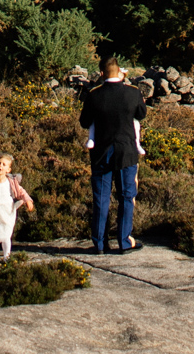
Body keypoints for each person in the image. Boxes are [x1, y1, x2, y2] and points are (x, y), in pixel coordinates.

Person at [79, 53, 146, 254]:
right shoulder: (133, 93)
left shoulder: (94, 95)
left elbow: (84, 122)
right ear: (120, 72)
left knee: (101, 197)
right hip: (126, 151)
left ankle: (99, 243)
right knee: (127, 195)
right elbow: (141, 114)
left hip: (101, 152)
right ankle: (124, 241)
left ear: (101, 73)